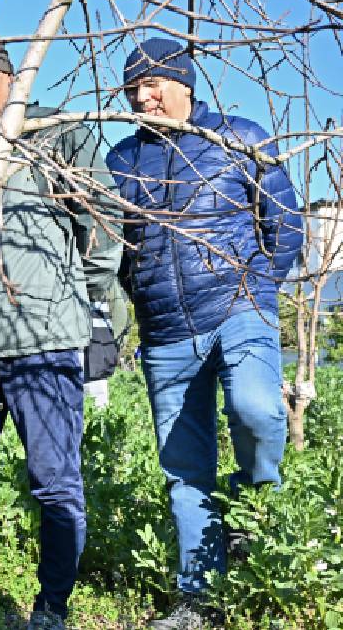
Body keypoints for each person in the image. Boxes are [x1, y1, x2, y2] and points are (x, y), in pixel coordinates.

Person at [106, 37, 303, 628]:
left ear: (185, 84)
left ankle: (253, 514)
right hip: (165, 332)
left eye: (155, 84)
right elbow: (118, 249)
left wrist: (258, 287)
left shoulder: (238, 136)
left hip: (239, 307)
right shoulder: (121, 160)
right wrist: (137, 301)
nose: (145, 97)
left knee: (257, 409)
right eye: (135, 88)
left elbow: (284, 221)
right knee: (184, 468)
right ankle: (199, 599)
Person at [0, 27, 123, 630]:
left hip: (45, 342)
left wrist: (88, 304)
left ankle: (51, 607)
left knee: (54, 483)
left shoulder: (59, 136)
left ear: (10, 74)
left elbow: (101, 225)